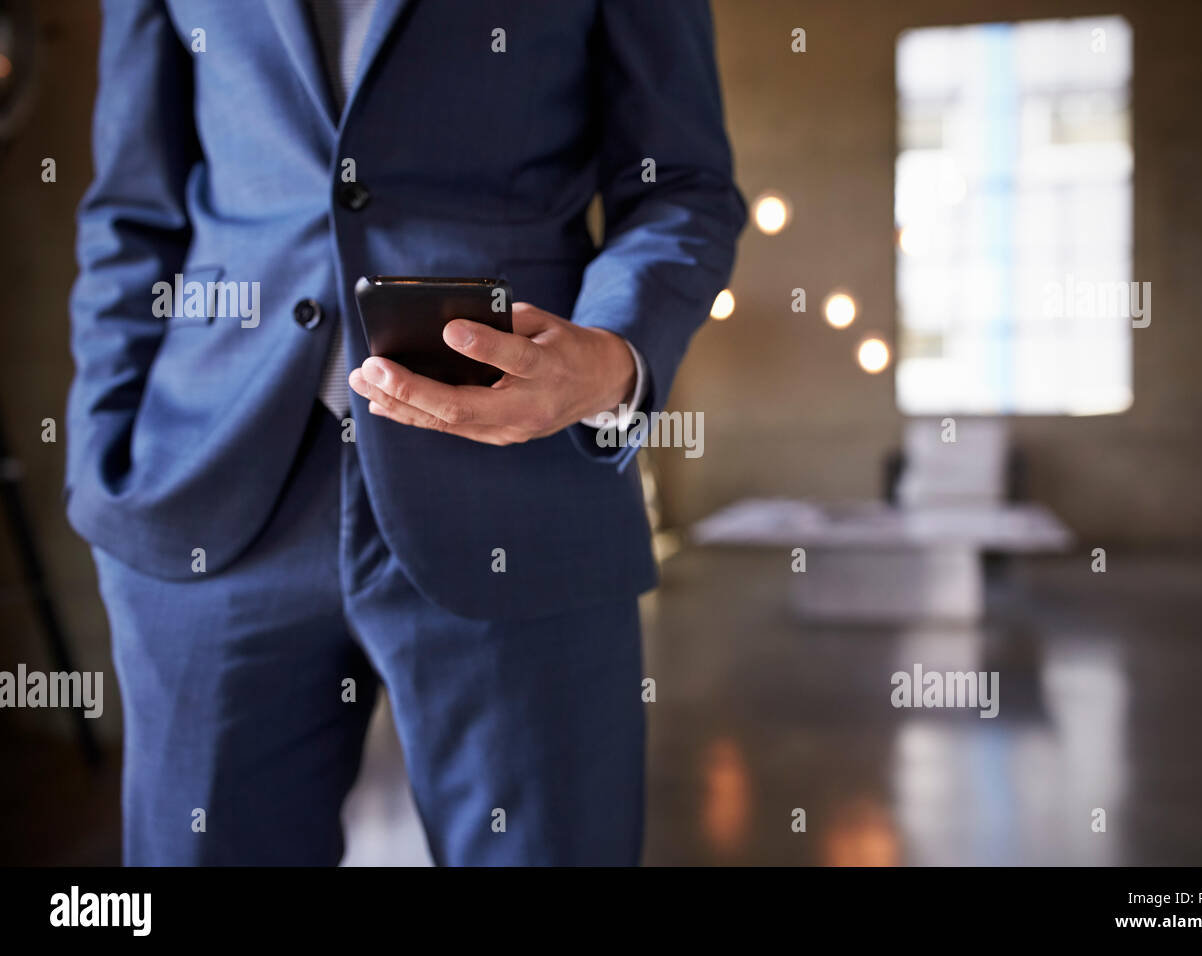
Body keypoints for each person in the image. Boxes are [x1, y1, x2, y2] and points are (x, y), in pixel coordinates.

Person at [66, 0, 744, 865]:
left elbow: (684, 184)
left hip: (520, 484)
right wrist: (101, 457)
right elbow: (131, 208)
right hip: (207, 489)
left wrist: (614, 361)